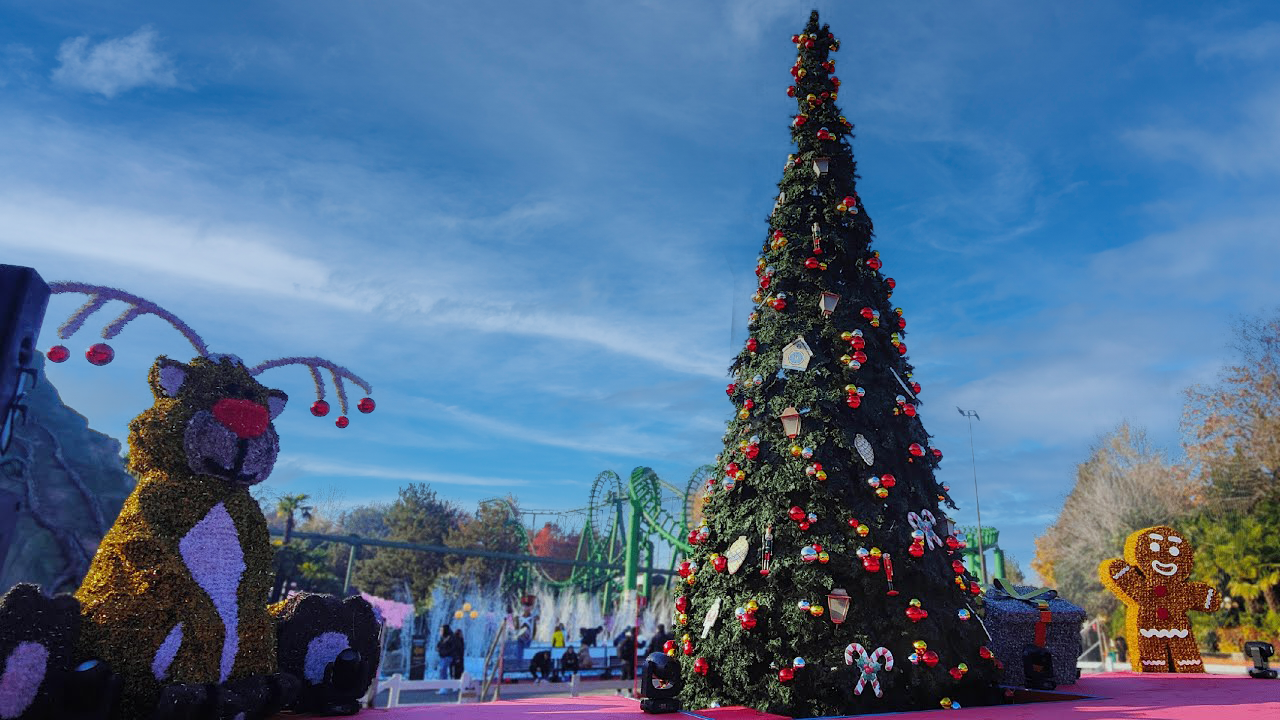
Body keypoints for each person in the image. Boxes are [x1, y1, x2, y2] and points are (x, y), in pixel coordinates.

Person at [435, 624, 455, 694]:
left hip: (447, 656)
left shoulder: (451, 638)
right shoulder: (442, 638)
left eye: (441, 630)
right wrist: (438, 648)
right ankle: (443, 687)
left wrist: (444, 651)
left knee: (442, 670)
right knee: (442, 671)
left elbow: (452, 648)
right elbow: (438, 646)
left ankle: (444, 687)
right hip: (442, 656)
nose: (440, 631)